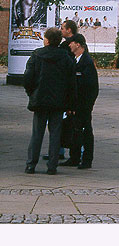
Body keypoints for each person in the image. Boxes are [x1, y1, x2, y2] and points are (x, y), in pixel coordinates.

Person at [23, 27, 76, 175]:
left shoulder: (37, 55)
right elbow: (71, 83)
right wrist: (70, 102)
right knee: (55, 134)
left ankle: (31, 164)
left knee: (37, 133)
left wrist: (31, 93)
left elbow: (28, 77)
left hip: (40, 99)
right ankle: (52, 166)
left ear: (46, 40)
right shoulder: (65, 57)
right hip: (58, 101)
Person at [60, 34, 99, 169]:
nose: (69, 45)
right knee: (76, 130)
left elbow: (91, 87)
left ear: (78, 44)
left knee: (85, 131)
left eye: (71, 43)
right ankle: (74, 157)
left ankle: (87, 159)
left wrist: (86, 106)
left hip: (83, 105)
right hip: (76, 105)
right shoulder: (77, 60)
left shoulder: (86, 62)